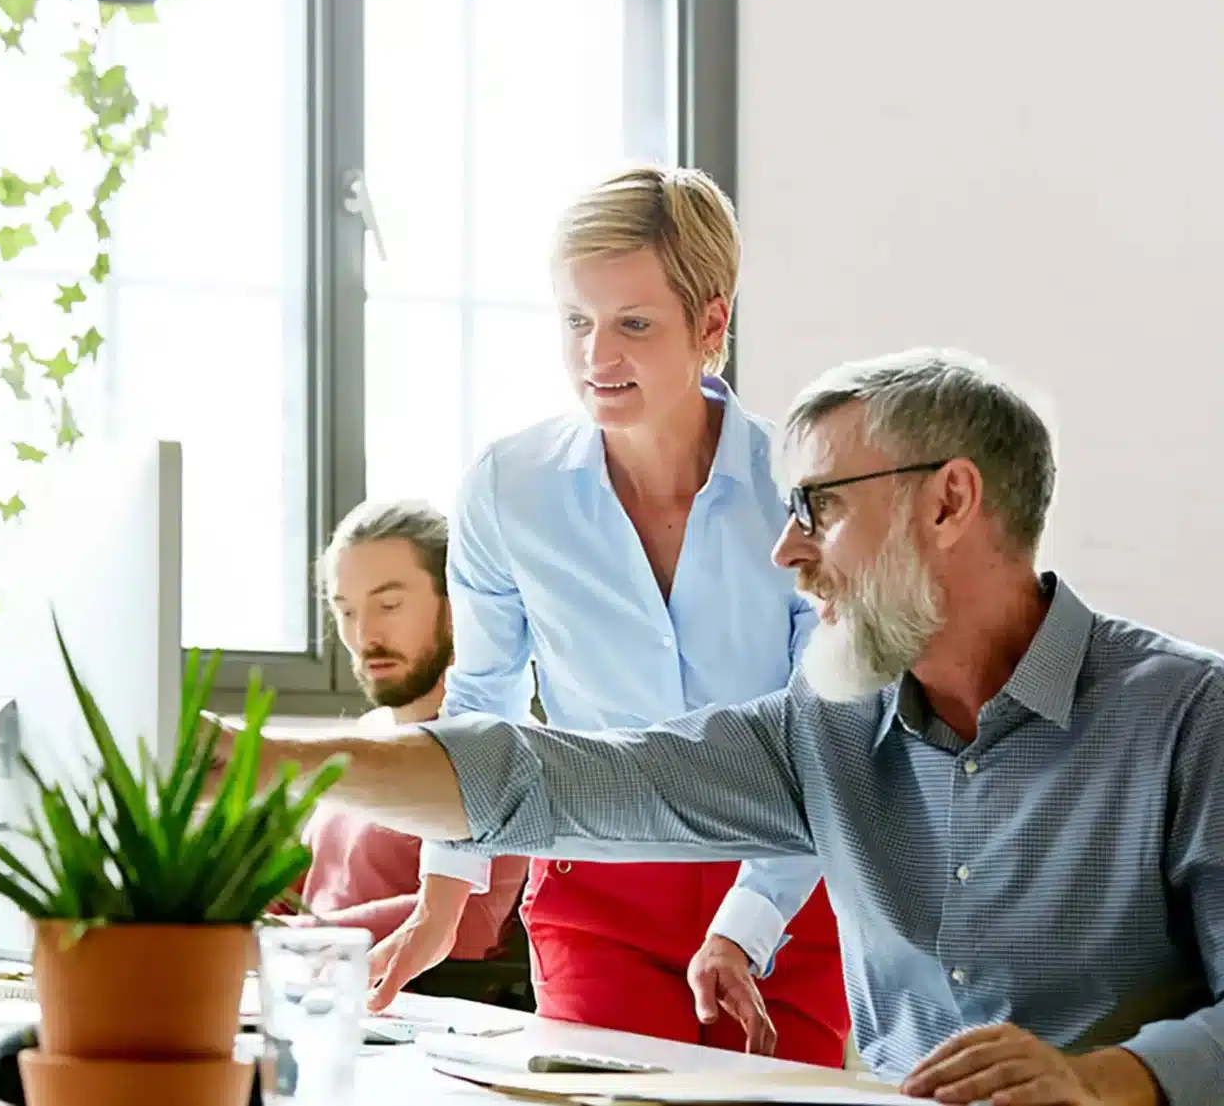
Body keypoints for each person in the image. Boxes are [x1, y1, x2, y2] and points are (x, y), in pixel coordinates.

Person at [225, 349, 1224, 1106]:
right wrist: (267, 758)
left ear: (948, 502)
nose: (786, 549)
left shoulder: (1188, 718)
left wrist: (1106, 1080)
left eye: (819, 508)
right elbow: (555, 781)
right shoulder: (827, 734)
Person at [370, 165, 850, 1066]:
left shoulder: (804, 492)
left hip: (786, 882)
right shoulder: (509, 489)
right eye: (577, 322)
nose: (598, 357)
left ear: (710, 323)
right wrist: (445, 896)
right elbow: (484, 693)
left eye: (633, 324)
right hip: (594, 880)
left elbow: (828, 730)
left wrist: (745, 925)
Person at [282, 500, 530, 984]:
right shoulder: (364, 736)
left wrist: (300, 941)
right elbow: (297, 884)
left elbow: (476, 920)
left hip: (411, 1004)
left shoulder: (498, 747)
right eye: (346, 611)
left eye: (389, 605)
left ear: (457, 607)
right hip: (314, 993)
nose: (364, 634)